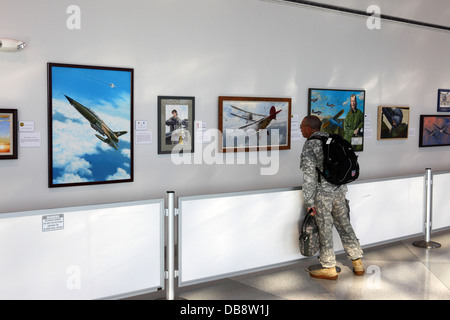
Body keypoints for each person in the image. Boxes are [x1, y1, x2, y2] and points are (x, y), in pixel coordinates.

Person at [300, 115, 364, 280]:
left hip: (323, 195)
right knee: (345, 225)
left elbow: (309, 177)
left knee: (325, 229)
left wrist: (309, 201)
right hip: (339, 191)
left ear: (309, 128)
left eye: (301, 126)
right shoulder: (332, 139)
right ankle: (357, 263)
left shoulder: (310, 145)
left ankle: (328, 267)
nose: (300, 129)